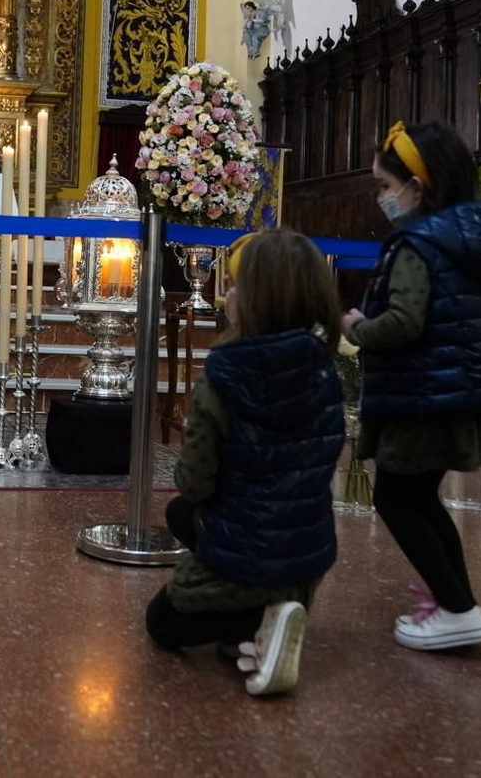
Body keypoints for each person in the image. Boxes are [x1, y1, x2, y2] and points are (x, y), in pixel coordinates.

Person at [145, 229, 345, 697]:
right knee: (180, 516)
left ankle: (259, 615)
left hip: (248, 545)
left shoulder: (224, 375)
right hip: (307, 553)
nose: (227, 295)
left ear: (257, 299)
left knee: (161, 625)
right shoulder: (324, 367)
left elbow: (194, 483)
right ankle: (270, 614)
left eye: (235, 286)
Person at [342, 120, 481, 651]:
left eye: (385, 188)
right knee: (419, 498)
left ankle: (458, 608)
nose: (380, 199)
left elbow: (403, 322)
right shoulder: (466, 236)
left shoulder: (418, 242)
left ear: (420, 187)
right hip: (452, 388)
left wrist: (356, 329)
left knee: (396, 499)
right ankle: (457, 600)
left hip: (424, 393)